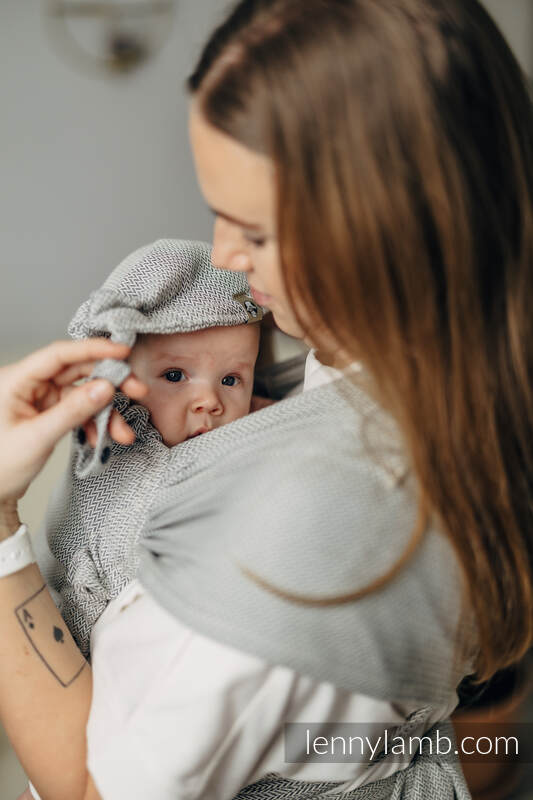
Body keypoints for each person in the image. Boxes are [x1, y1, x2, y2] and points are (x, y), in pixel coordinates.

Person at [0, 0, 532, 798]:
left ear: (380, 229)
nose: (220, 255)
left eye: (253, 228)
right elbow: (491, 725)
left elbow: (88, 787)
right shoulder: (476, 389)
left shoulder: (289, 538)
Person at [36, 238, 264, 659]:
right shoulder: (118, 447)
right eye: (176, 375)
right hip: (87, 618)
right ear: (123, 380)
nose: (210, 401)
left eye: (231, 379)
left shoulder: (251, 435)